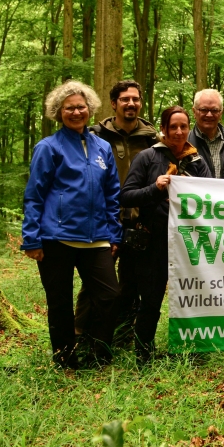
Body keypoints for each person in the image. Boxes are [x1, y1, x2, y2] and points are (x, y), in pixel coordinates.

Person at [22, 82, 122, 369]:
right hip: (57, 238)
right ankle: (65, 359)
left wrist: (114, 234)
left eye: (81, 107)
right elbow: (34, 195)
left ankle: (98, 354)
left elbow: (112, 194)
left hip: (97, 238)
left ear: (90, 109)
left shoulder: (103, 147)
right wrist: (31, 238)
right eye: (69, 108)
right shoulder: (48, 147)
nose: (76, 112)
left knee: (110, 296)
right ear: (59, 112)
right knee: (60, 302)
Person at [120, 106, 211, 361]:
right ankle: (143, 353)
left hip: (189, 242)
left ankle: (192, 349)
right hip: (155, 240)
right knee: (151, 299)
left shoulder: (197, 161)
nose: (179, 132)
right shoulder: (148, 157)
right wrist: (155, 188)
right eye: (173, 127)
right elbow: (126, 196)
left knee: (193, 296)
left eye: (183, 126)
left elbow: (210, 196)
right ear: (163, 129)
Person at [78, 79, 157, 344]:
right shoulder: (95, 136)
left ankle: (122, 337)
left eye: (135, 99)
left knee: (130, 284)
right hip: (103, 221)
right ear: (114, 104)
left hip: (140, 223)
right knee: (95, 283)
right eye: (125, 99)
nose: (130, 104)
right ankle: (81, 336)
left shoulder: (152, 139)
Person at [188, 88, 224, 180]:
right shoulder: (185, 143)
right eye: (204, 110)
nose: (209, 115)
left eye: (214, 110)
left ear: (221, 113)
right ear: (194, 112)